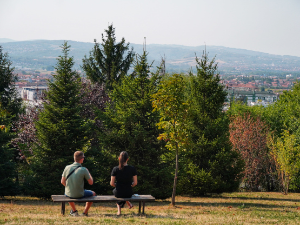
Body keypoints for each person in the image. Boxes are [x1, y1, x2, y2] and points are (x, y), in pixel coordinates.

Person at [61, 151, 96, 216]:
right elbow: (91, 183)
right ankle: (84, 213)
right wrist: (88, 173)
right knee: (93, 193)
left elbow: (62, 182)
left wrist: (70, 187)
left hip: (68, 193)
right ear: (82, 158)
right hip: (80, 194)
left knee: (67, 193)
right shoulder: (84, 169)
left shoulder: (67, 167)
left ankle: (74, 211)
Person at [110, 151, 138, 215]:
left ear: (119, 158)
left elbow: (112, 183)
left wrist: (118, 186)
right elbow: (135, 183)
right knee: (123, 192)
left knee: (117, 192)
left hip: (118, 191)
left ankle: (119, 211)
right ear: (127, 159)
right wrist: (129, 186)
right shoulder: (132, 169)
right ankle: (129, 204)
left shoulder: (115, 169)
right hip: (128, 192)